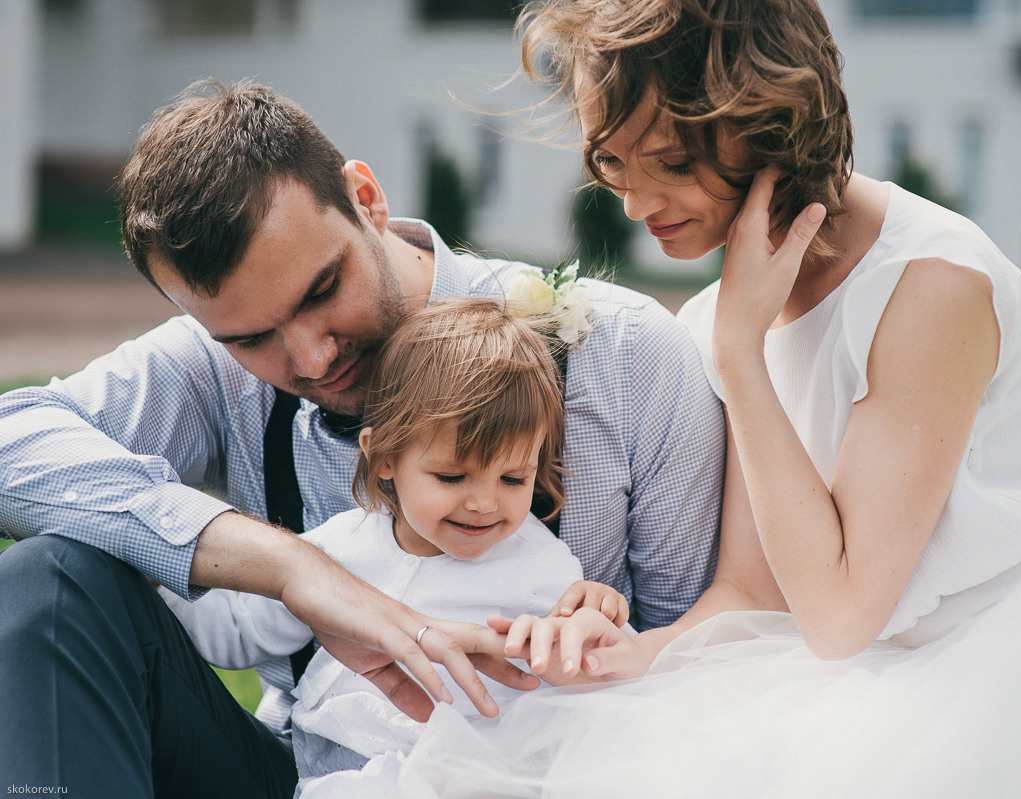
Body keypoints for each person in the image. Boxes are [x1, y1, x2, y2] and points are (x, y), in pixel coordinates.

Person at [382, 1, 1021, 795]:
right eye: (612, 164)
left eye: (669, 161)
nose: (634, 205)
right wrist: (635, 653)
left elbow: (841, 614)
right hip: (858, 661)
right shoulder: (720, 315)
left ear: (770, 124)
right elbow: (753, 588)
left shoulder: (929, 282)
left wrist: (745, 354)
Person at [0, 80, 724, 798]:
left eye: (321, 291)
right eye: (253, 338)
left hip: (554, 774)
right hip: (314, 777)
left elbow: (703, 656)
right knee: (49, 580)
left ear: (367, 199)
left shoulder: (623, 355)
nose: (311, 360)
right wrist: (296, 570)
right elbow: (12, 440)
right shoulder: (210, 366)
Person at [164, 298, 632, 794]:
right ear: (384, 456)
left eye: (514, 479)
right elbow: (238, 630)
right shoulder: (336, 550)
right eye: (452, 476)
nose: (483, 502)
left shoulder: (543, 564)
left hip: (481, 772)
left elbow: (591, 682)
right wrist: (154, 578)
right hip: (351, 763)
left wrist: (597, 621)